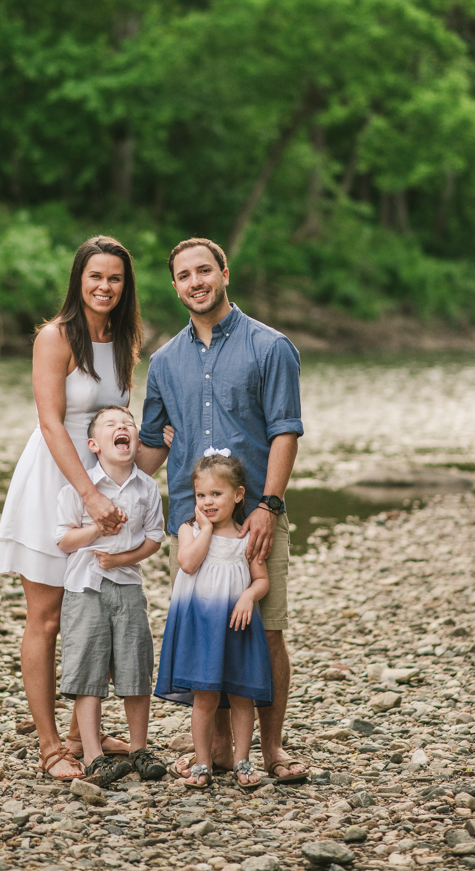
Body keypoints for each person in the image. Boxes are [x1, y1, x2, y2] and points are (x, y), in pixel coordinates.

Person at [138, 237, 308, 783]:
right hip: (193, 526)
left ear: (225, 273)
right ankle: (214, 753)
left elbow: (285, 431)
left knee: (268, 633)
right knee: (207, 636)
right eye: (184, 275)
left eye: (204, 271)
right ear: (175, 287)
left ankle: (274, 750)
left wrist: (268, 505)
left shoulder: (270, 347)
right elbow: (149, 447)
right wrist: (88, 447)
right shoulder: (164, 361)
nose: (195, 282)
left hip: (256, 518)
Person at [0, 236, 143, 781]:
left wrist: (145, 462)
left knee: (96, 611)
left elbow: (115, 425)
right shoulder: (55, 338)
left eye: (116, 279)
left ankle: (89, 731)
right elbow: (53, 422)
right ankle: (51, 746)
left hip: (103, 486)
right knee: (48, 615)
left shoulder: (123, 341)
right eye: (95, 277)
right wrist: (89, 495)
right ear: (78, 280)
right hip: (56, 483)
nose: (105, 287)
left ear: (126, 287)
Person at [56, 405, 167, 787]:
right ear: (94, 444)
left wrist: (121, 557)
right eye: (110, 425)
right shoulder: (79, 487)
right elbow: (62, 540)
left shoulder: (147, 487)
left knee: (135, 665)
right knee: (88, 670)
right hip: (84, 588)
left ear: (135, 441)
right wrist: (96, 530)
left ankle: (139, 748)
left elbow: (155, 538)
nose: (122, 427)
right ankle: (93, 755)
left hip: (129, 587)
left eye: (128, 424)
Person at [155, 451, 272, 789]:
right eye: (200, 495)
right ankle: (203, 762)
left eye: (216, 494)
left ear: (237, 495)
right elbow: (188, 564)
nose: (207, 502)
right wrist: (205, 528)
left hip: (237, 625)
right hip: (202, 627)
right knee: (204, 695)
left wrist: (249, 596)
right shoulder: (189, 529)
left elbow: (261, 579)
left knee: (241, 694)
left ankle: (243, 761)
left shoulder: (247, 538)